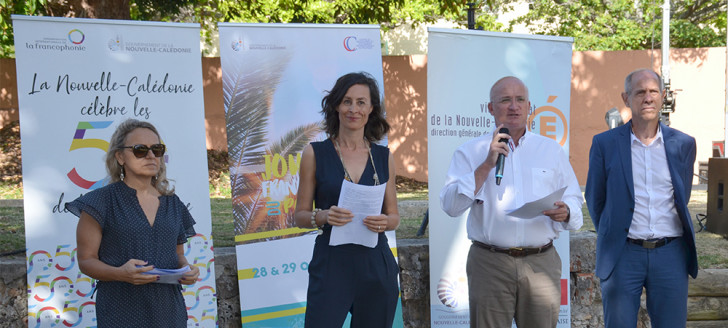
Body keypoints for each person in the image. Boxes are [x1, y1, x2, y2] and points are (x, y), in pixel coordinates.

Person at [440, 76, 583, 328]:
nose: (514, 106)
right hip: (489, 263)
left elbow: (573, 197)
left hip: (540, 262)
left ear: (530, 107)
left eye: (520, 100)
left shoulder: (551, 151)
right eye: (505, 100)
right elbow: (451, 207)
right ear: (490, 108)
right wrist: (486, 164)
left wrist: (566, 211)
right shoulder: (469, 151)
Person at [585, 69, 698, 327]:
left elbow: (683, 196)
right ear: (626, 98)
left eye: (653, 92)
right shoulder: (605, 144)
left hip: (671, 254)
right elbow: (595, 199)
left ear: (663, 96)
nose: (647, 98)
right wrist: (614, 232)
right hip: (623, 254)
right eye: (640, 92)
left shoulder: (683, 144)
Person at [66, 119, 200, 327]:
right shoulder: (100, 202)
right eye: (140, 150)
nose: (150, 156)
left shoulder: (173, 203)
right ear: (120, 157)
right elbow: (86, 260)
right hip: (121, 311)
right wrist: (120, 273)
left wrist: (186, 270)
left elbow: (178, 255)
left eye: (157, 149)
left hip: (169, 311)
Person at [294, 72, 400, 328]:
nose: (354, 109)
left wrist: (384, 222)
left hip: (377, 265)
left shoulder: (384, 156)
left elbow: (394, 217)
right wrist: (322, 216)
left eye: (361, 102)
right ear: (336, 106)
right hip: (332, 264)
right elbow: (299, 216)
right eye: (347, 101)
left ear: (371, 108)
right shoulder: (314, 153)